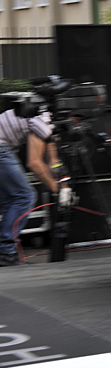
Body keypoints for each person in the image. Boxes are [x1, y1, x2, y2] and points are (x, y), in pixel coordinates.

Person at [0, 106, 60, 266]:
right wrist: (57, 190)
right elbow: (34, 163)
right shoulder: (44, 120)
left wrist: (63, 185)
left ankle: (6, 252)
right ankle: (6, 252)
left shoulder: (49, 122)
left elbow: (53, 161)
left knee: (12, 201)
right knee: (24, 196)